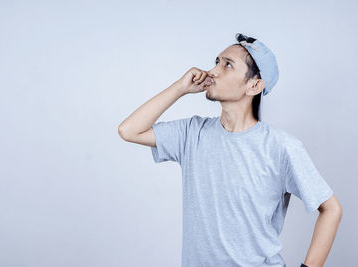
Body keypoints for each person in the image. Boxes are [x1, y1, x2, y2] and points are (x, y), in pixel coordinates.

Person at [118, 33, 342, 267]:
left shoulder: (281, 147)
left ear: (254, 85)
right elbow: (129, 130)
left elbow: (331, 209)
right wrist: (180, 88)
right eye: (216, 61)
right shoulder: (192, 133)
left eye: (227, 65)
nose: (213, 71)